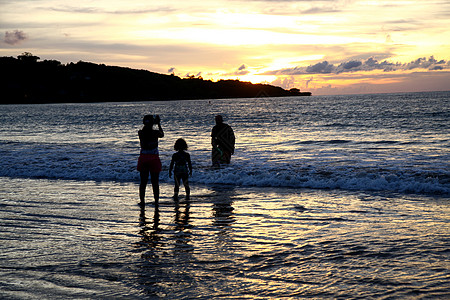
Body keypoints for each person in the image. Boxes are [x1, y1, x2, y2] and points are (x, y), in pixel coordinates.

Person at [137, 114, 164, 206]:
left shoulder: (140, 132)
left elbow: (146, 130)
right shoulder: (155, 133)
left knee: (143, 182)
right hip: (154, 158)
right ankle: (156, 201)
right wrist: (159, 124)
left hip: (143, 158)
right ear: (152, 123)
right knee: (155, 182)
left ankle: (142, 201)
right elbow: (162, 134)